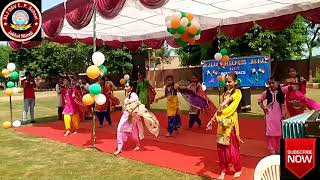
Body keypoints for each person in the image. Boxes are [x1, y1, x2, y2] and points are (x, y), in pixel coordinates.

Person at [206, 72, 242, 180]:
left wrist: (223, 104)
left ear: (235, 82)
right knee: (221, 148)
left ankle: (238, 168)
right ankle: (223, 169)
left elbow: (230, 103)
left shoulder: (237, 92)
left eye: (229, 81)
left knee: (232, 148)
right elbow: (220, 110)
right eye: (226, 81)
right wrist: (212, 120)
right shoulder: (224, 94)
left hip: (230, 123)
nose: (227, 83)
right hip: (221, 123)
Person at [114, 81, 160, 155]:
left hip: (131, 116)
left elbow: (135, 103)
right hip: (125, 116)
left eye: (127, 86)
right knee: (120, 129)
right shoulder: (128, 96)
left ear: (131, 88)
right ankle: (119, 147)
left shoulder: (134, 95)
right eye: (125, 86)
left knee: (133, 131)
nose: (125, 88)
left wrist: (129, 110)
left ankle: (138, 145)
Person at [258, 77, 285, 155]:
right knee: (270, 134)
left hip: (280, 115)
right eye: (270, 83)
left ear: (278, 82)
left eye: (273, 83)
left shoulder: (282, 91)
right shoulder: (266, 92)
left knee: (280, 133)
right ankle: (272, 149)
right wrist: (263, 107)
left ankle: (279, 149)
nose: (271, 85)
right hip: (270, 115)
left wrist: (284, 115)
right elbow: (260, 100)